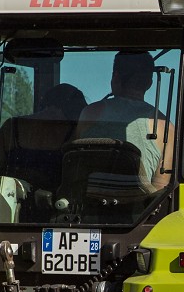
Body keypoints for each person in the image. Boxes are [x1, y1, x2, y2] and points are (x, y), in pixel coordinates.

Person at [73, 50, 174, 191]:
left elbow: (76, 163)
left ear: (115, 77)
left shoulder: (90, 112)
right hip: (137, 211)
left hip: (86, 207)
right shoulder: (165, 127)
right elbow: (159, 190)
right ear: (149, 83)